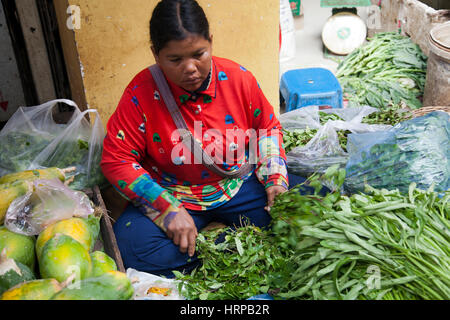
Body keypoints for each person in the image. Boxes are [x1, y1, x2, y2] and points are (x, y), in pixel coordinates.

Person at [101, 0, 289, 278]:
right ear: (155, 54)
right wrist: (167, 209)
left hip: (237, 184)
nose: (190, 68)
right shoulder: (141, 92)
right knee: (130, 246)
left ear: (211, 43)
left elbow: (268, 128)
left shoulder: (239, 79)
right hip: (175, 192)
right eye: (175, 60)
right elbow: (116, 159)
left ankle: (214, 254)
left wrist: (275, 180)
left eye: (199, 54)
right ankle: (240, 252)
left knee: (307, 203)